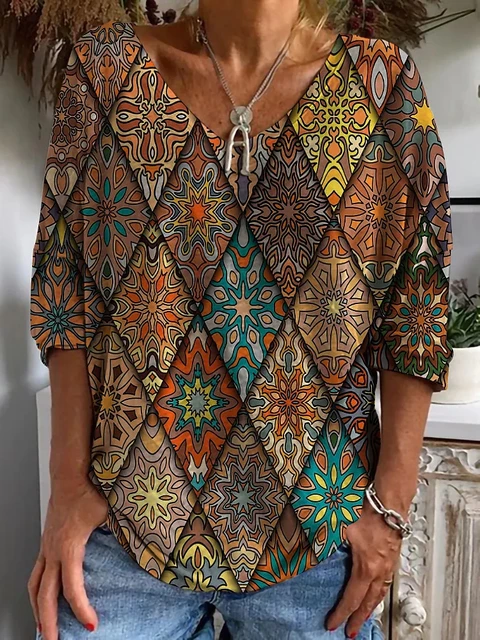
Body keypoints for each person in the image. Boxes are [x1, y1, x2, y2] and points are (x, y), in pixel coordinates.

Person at [27, 1, 453, 639]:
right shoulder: (105, 71)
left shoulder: (381, 82)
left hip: (318, 543)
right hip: (124, 530)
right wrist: (65, 488)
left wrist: (389, 509)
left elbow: (416, 308)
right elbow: (65, 291)